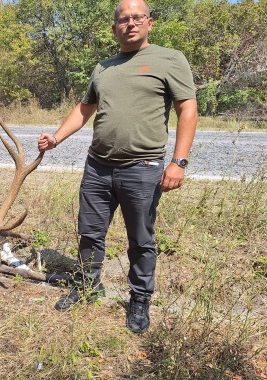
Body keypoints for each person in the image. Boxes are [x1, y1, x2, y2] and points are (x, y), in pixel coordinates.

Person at [38, 0, 197, 333]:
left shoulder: (169, 59)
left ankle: (139, 299)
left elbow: (187, 109)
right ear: (115, 28)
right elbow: (84, 110)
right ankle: (87, 285)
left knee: (140, 239)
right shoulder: (103, 67)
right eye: (124, 19)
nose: (131, 23)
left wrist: (178, 162)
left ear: (149, 23)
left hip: (143, 167)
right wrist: (56, 138)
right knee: (90, 233)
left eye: (137, 17)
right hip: (97, 166)